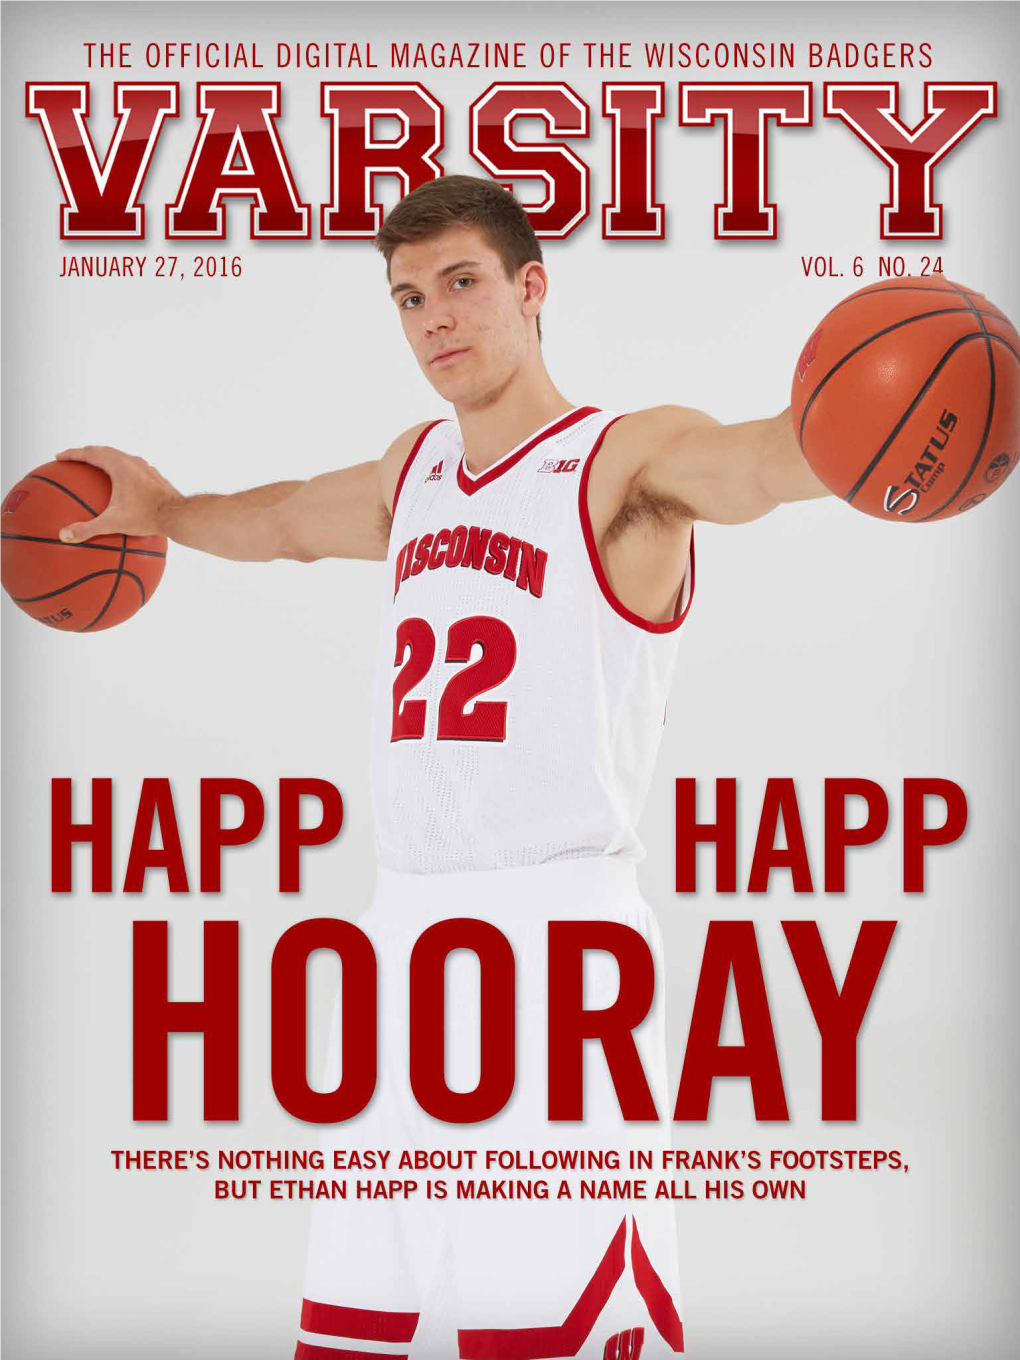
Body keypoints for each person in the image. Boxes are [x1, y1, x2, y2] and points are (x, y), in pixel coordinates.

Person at [57, 175, 828, 1358]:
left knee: (541, 1330)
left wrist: (884, 430)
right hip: (401, 942)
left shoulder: (630, 460)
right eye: (410, 297)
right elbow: (278, 524)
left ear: (531, 288)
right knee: (350, 1326)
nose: (435, 320)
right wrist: (164, 509)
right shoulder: (411, 471)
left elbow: (772, 459)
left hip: (559, 949)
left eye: (462, 283)